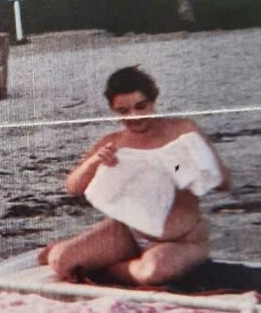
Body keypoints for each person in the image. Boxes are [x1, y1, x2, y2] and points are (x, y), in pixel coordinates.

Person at [42, 66, 230, 286]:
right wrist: (96, 162)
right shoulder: (115, 142)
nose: (135, 116)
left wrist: (181, 165)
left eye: (141, 106)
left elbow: (223, 182)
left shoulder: (183, 131)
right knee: (61, 261)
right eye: (123, 112)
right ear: (113, 111)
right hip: (128, 232)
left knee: (152, 272)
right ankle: (97, 261)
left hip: (181, 239)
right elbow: (73, 186)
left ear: (153, 100)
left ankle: (105, 271)